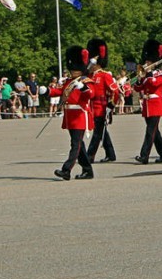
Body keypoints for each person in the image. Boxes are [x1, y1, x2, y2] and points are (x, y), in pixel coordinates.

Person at [51, 46, 96, 181]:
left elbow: (91, 94)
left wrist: (83, 88)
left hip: (80, 116)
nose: (73, 72)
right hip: (70, 116)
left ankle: (66, 170)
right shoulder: (69, 82)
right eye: (72, 70)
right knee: (79, 145)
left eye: (76, 69)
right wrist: (47, 91)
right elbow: (60, 92)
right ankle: (87, 170)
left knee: (75, 145)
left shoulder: (86, 81)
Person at [134, 39, 162, 164]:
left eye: (149, 61)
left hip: (156, 105)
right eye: (146, 61)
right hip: (147, 105)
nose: (146, 63)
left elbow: (154, 84)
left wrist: (148, 73)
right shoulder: (146, 74)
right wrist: (139, 79)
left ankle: (144, 156)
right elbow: (137, 88)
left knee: (150, 131)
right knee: (155, 132)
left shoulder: (161, 74)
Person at [85, 38, 120, 163]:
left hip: (101, 108)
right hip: (92, 107)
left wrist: (111, 106)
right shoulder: (89, 76)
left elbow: (115, 91)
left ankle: (89, 156)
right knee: (101, 131)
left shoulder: (105, 75)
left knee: (97, 133)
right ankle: (111, 154)